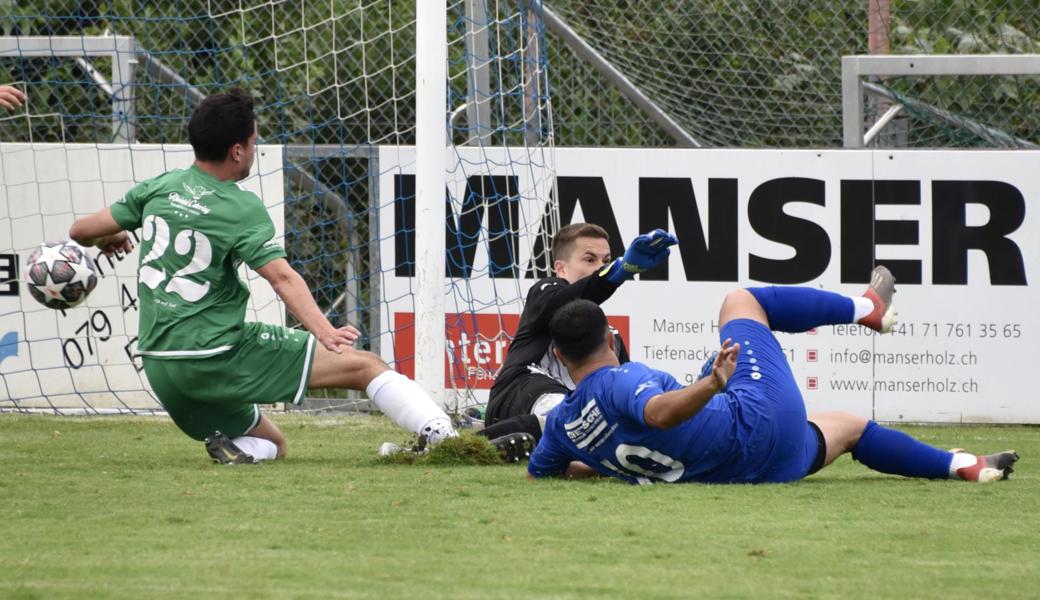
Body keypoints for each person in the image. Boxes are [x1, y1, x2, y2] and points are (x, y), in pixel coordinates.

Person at [69, 89, 456, 464]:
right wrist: (324, 330)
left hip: (160, 366)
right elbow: (282, 277)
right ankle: (447, 439)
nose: (255, 148)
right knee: (365, 365)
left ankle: (238, 454)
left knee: (272, 442)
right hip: (215, 354)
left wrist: (113, 234)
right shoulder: (239, 206)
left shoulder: (160, 188)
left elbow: (80, 232)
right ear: (237, 150)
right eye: (254, 141)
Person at [528, 267, 1019, 484]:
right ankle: (867, 308)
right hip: (753, 425)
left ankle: (963, 467)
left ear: (557, 355)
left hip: (752, 470)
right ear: (611, 340)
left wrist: (605, 464)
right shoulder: (619, 379)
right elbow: (656, 414)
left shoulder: (562, 428)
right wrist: (712, 384)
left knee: (848, 427)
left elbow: (545, 472)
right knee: (742, 303)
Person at [477, 223, 677, 460]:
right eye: (590, 259)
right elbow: (573, 300)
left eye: (606, 261)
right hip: (518, 394)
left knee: (611, 424)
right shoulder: (544, 292)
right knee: (567, 415)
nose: (600, 267)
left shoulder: (610, 335)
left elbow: (623, 390)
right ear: (560, 268)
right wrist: (619, 270)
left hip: (572, 414)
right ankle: (468, 446)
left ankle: (539, 446)